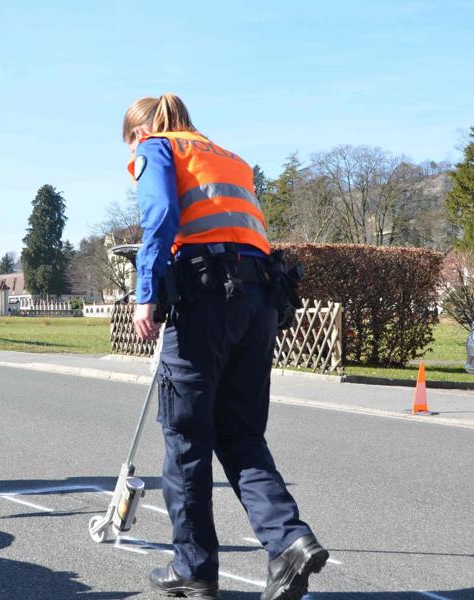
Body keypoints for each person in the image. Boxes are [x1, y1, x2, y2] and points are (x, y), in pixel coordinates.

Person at [122, 94, 327, 600]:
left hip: (204, 299)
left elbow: (162, 215)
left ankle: (193, 568)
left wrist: (145, 293)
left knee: (187, 440)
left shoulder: (158, 148)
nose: (132, 152)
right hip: (257, 300)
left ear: (141, 130)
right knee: (240, 433)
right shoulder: (229, 157)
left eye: (129, 141)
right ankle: (289, 542)